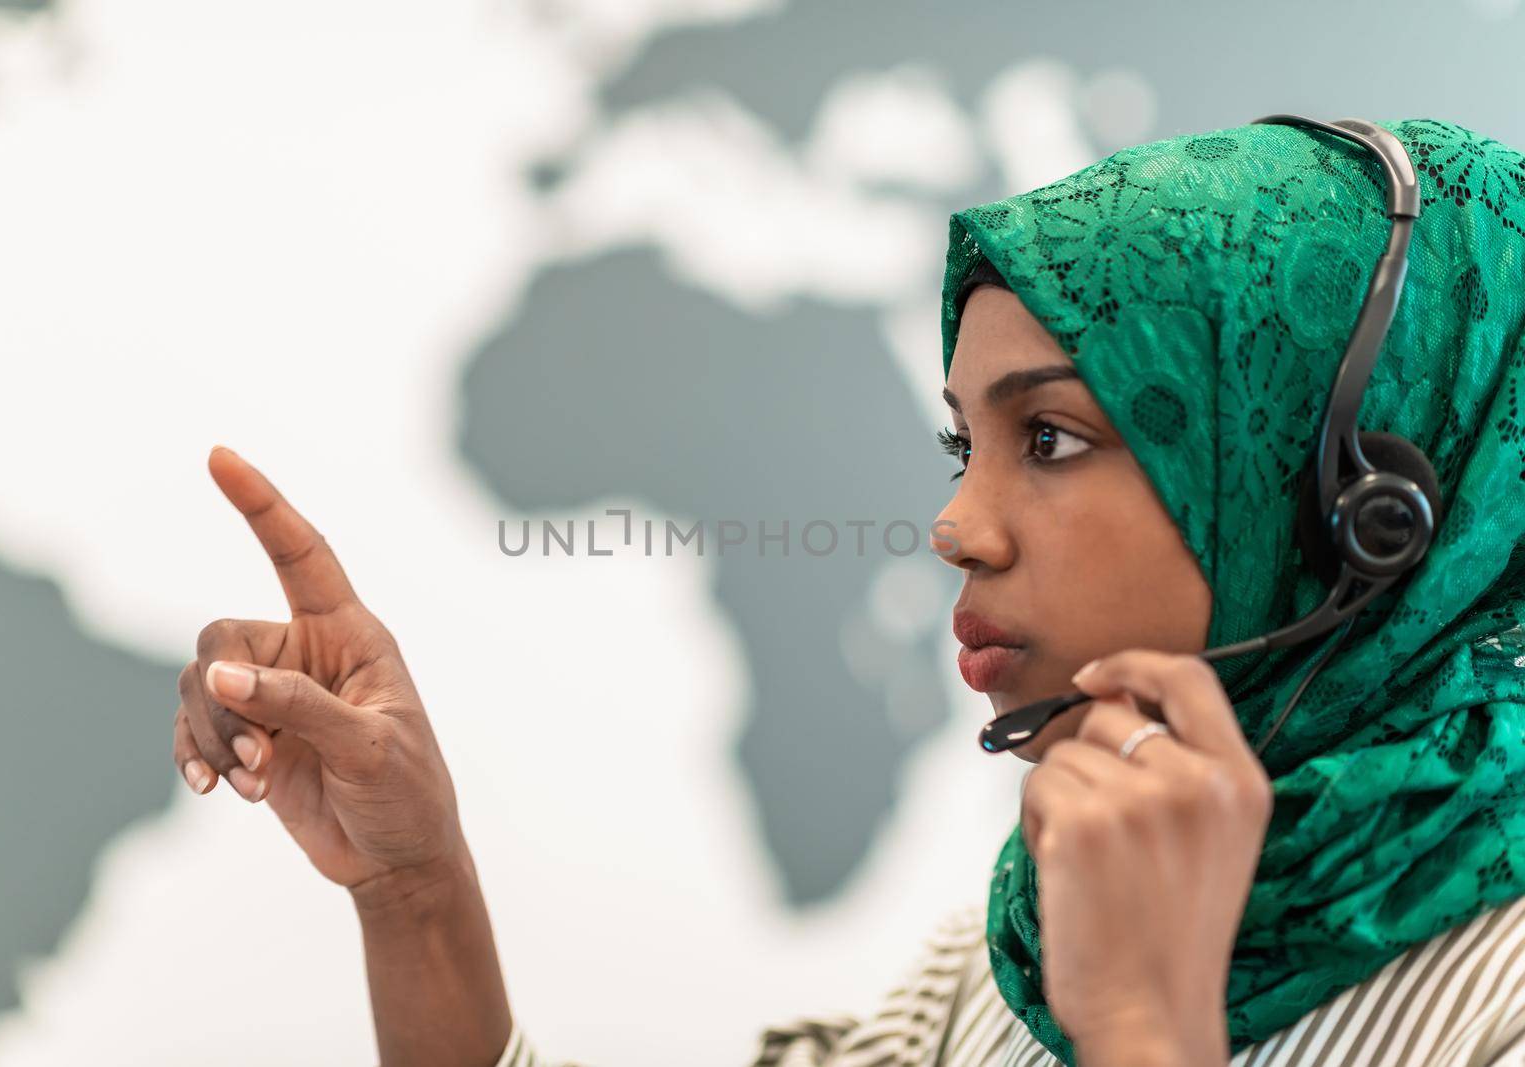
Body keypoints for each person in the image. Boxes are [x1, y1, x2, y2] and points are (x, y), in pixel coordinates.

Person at [171, 115, 1525, 1066]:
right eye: (963, 447)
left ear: (1361, 512)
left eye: (1049, 438)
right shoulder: (1010, 960)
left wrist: (1151, 1036)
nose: (955, 528)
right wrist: (414, 892)